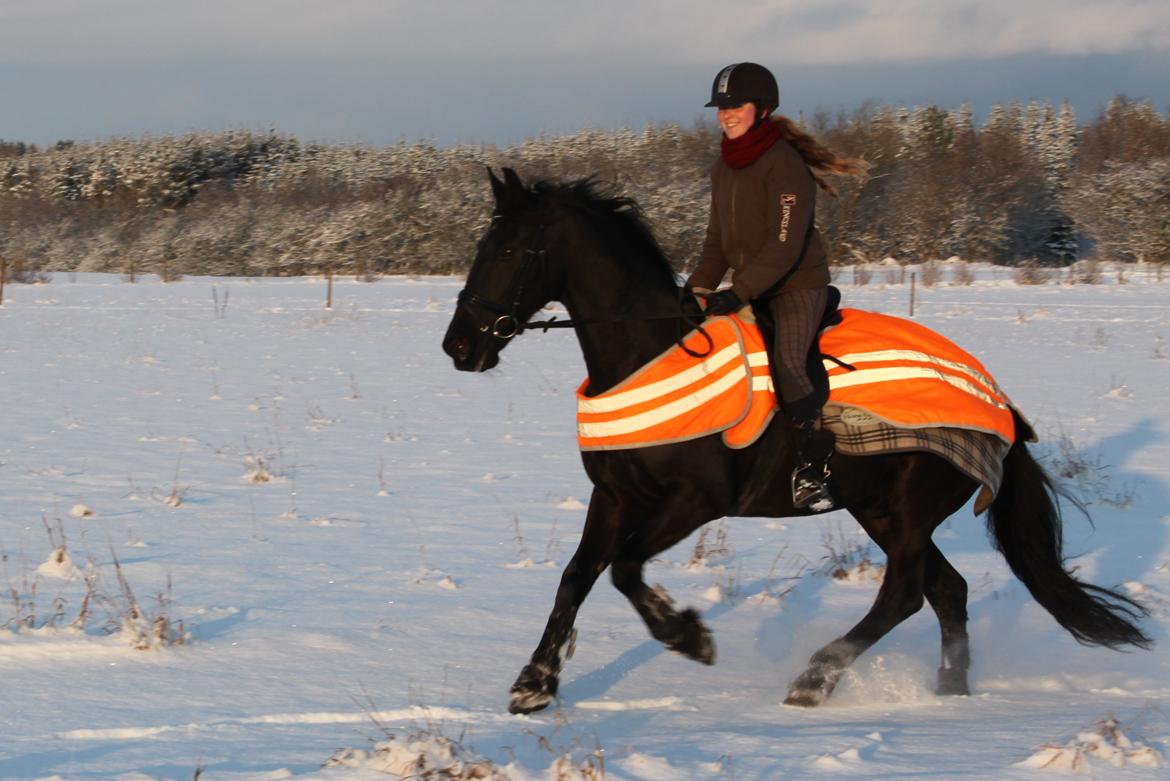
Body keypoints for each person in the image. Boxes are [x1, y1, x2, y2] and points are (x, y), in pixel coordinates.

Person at [687, 62, 866, 511]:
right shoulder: (721, 168)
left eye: (736, 106)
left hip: (797, 286)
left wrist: (738, 291)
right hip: (751, 286)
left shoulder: (784, 165)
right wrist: (696, 290)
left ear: (762, 109)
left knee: (787, 360)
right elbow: (717, 242)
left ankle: (811, 471)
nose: (726, 115)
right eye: (721, 107)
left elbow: (784, 249)